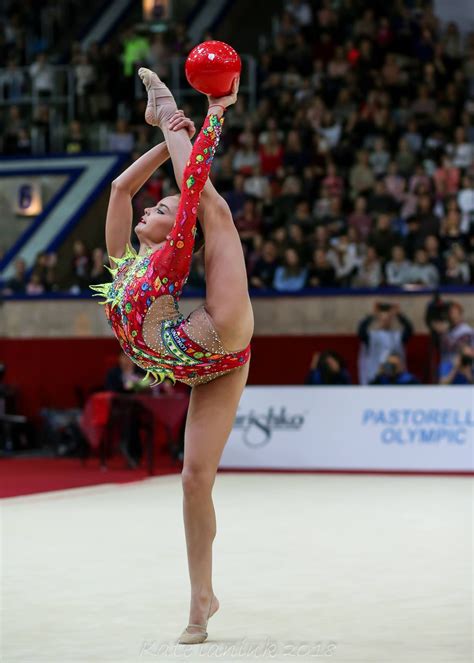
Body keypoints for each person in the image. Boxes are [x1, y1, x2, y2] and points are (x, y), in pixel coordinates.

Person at [90, 68, 253, 645]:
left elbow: (192, 189)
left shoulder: (173, 256)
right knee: (192, 481)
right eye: (157, 205)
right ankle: (203, 595)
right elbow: (118, 191)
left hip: (217, 339)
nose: (150, 209)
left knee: (210, 203)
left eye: (161, 207)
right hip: (191, 368)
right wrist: (163, 134)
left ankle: (218, 105)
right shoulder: (122, 265)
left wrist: (203, 119)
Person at [357, 302, 413, 384]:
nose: (385, 321)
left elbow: (409, 330)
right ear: (378, 319)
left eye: (388, 318)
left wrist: (399, 315)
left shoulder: (398, 337)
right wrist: (372, 315)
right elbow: (361, 331)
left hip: (395, 380)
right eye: (382, 318)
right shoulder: (371, 337)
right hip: (375, 379)